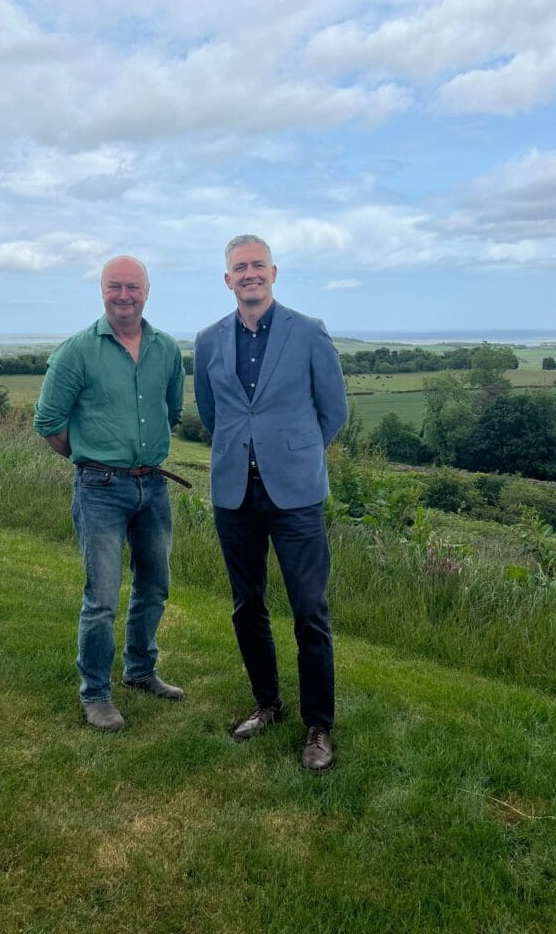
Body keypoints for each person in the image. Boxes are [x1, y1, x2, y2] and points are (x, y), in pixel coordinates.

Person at [193, 235, 348, 771]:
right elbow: (213, 416)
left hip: (296, 496)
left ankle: (318, 726)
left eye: (258, 265)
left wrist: (293, 455)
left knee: (310, 611)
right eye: (239, 267)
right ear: (227, 278)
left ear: (274, 272)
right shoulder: (209, 340)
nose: (249, 273)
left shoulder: (308, 333)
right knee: (246, 604)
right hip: (234, 492)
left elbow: (333, 412)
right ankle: (267, 705)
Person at [34, 256, 186, 732]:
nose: (125, 295)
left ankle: (141, 670)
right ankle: (96, 693)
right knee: (101, 596)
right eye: (115, 286)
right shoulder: (77, 351)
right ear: (102, 291)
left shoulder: (166, 350)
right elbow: (48, 422)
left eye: (133, 287)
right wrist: (91, 458)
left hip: (154, 486)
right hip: (99, 487)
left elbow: (173, 411)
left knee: (154, 586)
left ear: (147, 291)